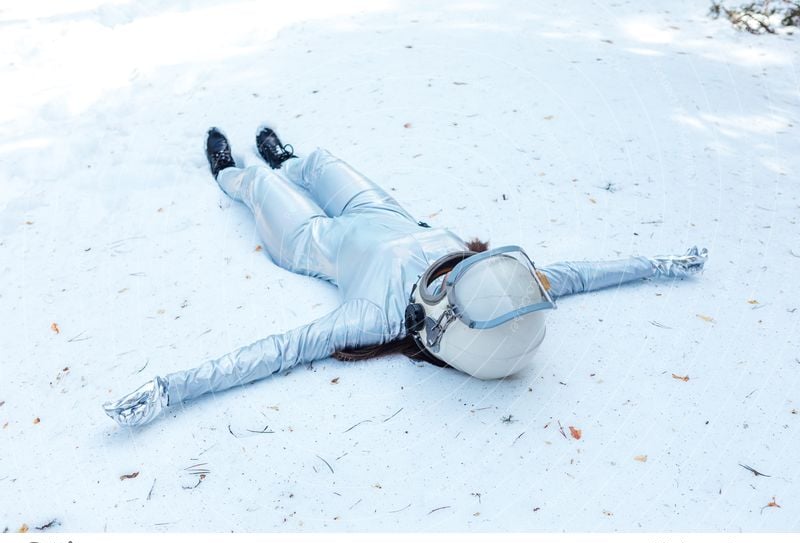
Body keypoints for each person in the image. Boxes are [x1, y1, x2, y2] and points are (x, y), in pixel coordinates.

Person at [103, 126, 708, 427]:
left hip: (318, 243)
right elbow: (577, 276)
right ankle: (291, 159)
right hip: (381, 210)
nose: (452, 267)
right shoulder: (502, 284)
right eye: (466, 265)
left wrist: (170, 388)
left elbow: (276, 351)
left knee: (262, 187)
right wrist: (659, 263)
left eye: (451, 280)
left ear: (442, 324)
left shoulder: (376, 319)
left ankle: (234, 173)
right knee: (321, 161)